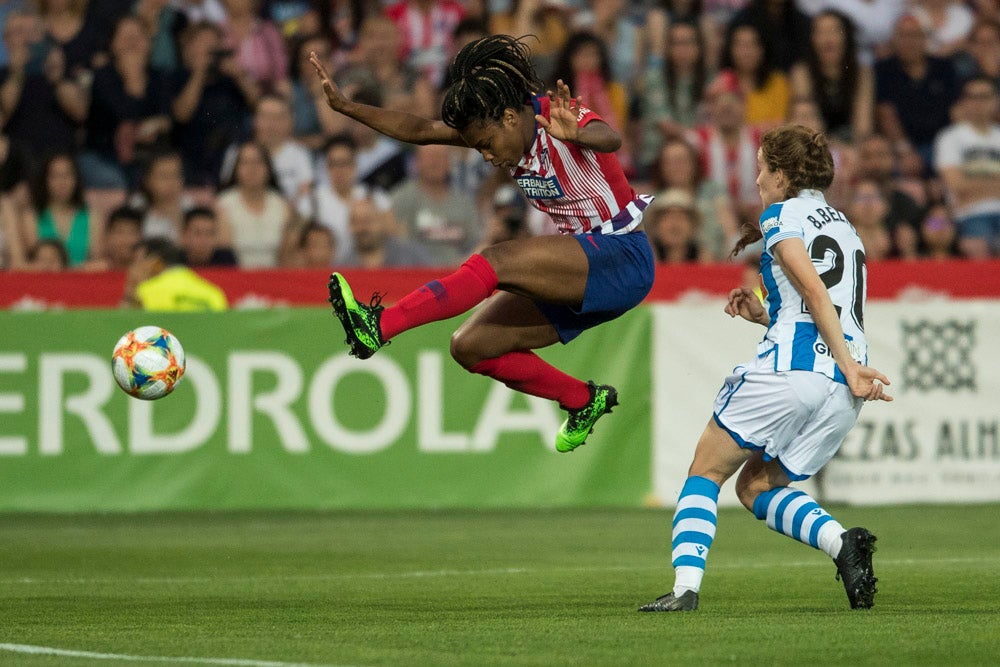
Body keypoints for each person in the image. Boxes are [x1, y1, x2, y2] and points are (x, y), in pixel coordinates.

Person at [311, 34, 655, 452]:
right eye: (479, 149)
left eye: (487, 145)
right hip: (582, 271)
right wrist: (348, 108)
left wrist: (580, 136)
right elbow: (419, 130)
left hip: (622, 257)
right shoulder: (496, 128)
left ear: (510, 117)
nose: (488, 157)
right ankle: (584, 400)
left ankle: (379, 326)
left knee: (496, 261)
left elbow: (610, 138)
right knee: (471, 346)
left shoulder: (557, 115)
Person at [639, 124, 892, 613]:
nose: (756, 180)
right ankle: (843, 544)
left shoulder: (782, 214)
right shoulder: (844, 225)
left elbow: (817, 292)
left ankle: (685, 589)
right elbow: (819, 301)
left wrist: (843, 363)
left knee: (704, 471)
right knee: (756, 486)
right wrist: (768, 315)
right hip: (841, 390)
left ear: (784, 174)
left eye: (761, 169)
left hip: (799, 372)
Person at [933, 75, 1000, 259]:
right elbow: (955, 184)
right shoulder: (949, 137)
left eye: (984, 97)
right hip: (970, 216)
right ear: (963, 101)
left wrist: (973, 189)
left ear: (995, 100)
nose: (978, 103)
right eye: (972, 97)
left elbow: (965, 186)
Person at [122, 236, 228, 310]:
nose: (132, 270)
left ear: (155, 263)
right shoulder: (214, 294)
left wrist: (130, 292)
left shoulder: (145, 292)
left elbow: (124, 330)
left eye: (137, 263)